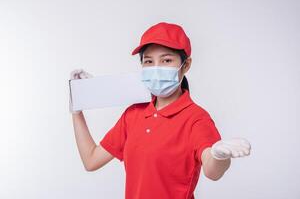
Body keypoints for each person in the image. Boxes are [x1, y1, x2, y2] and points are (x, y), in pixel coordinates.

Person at [69, 22, 251, 199]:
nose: (156, 68)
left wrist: (219, 156)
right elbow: (91, 160)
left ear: (186, 65)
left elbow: (212, 172)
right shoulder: (134, 114)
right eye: (149, 61)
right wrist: (77, 106)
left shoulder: (196, 118)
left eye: (166, 60)